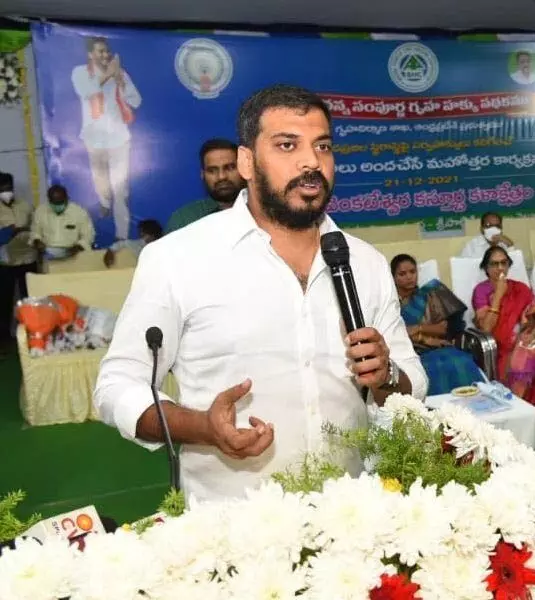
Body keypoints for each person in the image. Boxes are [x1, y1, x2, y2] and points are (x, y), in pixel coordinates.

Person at [94, 84, 428, 502]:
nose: (311, 161)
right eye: (288, 145)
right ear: (246, 163)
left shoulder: (366, 263)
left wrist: (387, 376)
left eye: (322, 146)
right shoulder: (176, 259)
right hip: (233, 529)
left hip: (350, 517)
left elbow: (412, 384)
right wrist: (201, 427)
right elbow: (118, 385)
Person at [471, 246, 535, 442]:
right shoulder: (481, 291)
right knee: (525, 360)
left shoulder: (521, 288)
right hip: (503, 348)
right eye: (494, 264)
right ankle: (532, 421)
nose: (500, 268)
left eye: (504, 263)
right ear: (486, 267)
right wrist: (499, 296)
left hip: (528, 339)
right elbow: (485, 329)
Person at [71, 36, 141, 241]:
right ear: (90, 55)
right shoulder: (80, 73)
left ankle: (122, 237)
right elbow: (86, 92)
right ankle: (103, 201)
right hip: (94, 140)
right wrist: (107, 76)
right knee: (102, 185)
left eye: (106, 51)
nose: (105, 55)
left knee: (121, 192)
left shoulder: (120, 74)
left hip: (119, 139)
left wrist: (121, 82)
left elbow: (136, 101)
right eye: (100, 51)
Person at [391, 254, 483, 396]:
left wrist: (417, 329)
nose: (409, 277)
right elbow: (395, 334)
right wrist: (425, 338)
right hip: (411, 353)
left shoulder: (430, 294)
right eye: (402, 274)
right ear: (393, 277)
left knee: (461, 360)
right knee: (433, 368)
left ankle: (472, 409)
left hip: (439, 346)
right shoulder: (391, 303)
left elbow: (443, 328)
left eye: (412, 272)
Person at [167, 139, 245, 233]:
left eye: (230, 168)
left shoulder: (262, 213)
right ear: (202, 175)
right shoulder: (183, 220)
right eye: (212, 170)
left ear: (244, 168)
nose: (222, 177)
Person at [0, 172, 36, 349]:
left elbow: (35, 227)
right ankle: (4, 340)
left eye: (8, 188)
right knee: (3, 301)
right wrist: (9, 231)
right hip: (5, 262)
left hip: (28, 259)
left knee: (30, 299)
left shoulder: (24, 205)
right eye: (2, 189)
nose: (6, 192)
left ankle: (34, 335)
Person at [30, 185, 96, 258]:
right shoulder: (40, 211)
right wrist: (37, 241)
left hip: (74, 254)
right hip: (47, 254)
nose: (57, 205)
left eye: (60, 203)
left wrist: (78, 247)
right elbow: (35, 232)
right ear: (49, 200)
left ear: (67, 199)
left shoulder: (79, 212)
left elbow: (88, 235)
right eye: (54, 203)